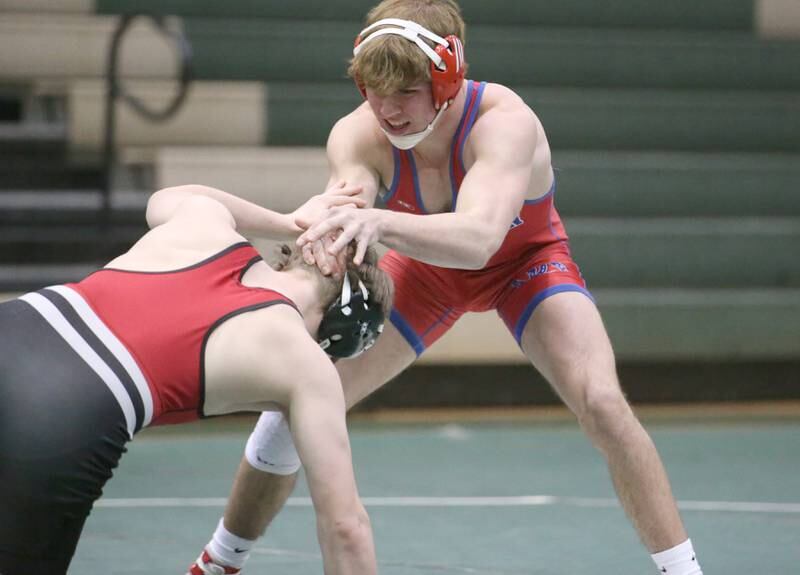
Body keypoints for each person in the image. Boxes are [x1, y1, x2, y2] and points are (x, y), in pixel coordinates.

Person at [189, 1, 704, 574]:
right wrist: (326, 235)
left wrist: (379, 223)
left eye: (406, 91)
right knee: (293, 405)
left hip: (523, 263)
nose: (388, 109)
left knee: (604, 403)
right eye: (373, 89)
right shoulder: (357, 134)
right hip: (427, 269)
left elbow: (481, 238)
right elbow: (349, 200)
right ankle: (216, 563)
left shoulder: (505, 123)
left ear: (448, 77)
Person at [0, 183, 393, 575]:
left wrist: (289, 222)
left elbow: (163, 199)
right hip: (66, 407)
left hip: (18, 324)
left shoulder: (206, 224)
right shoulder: (305, 361)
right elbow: (345, 528)